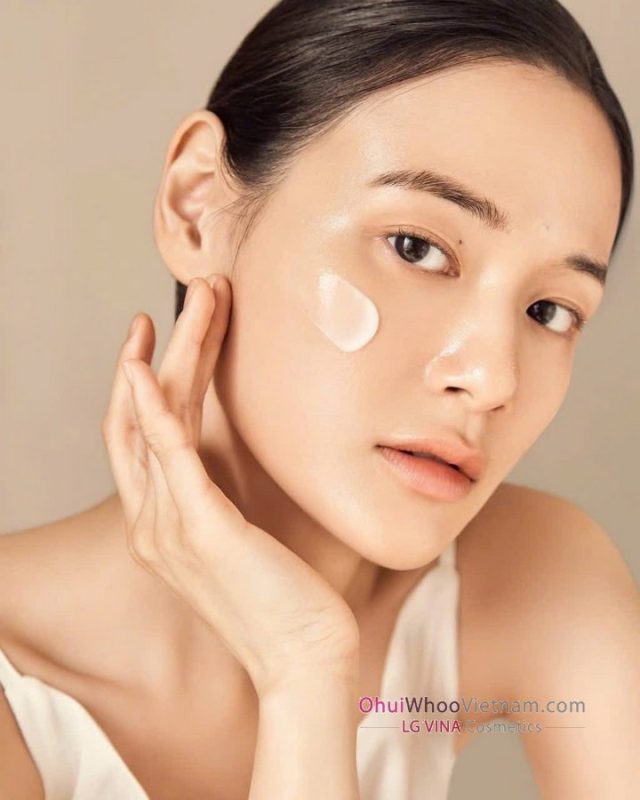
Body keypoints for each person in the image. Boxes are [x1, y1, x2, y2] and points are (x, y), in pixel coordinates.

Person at [1, 0, 639, 797]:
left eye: (550, 311)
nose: (493, 378)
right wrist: (303, 659)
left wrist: (303, 670)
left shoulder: (536, 582)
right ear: (197, 207)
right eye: (416, 247)